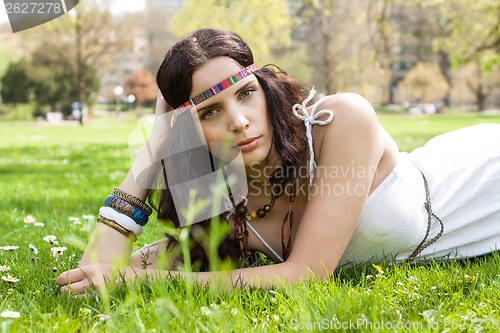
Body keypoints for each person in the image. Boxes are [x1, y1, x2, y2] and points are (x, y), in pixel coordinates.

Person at [56, 28, 500, 294]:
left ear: (264, 87)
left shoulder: (340, 120)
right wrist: (152, 151)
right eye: (209, 112)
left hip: (480, 178)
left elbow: (306, 275)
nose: (239, 122)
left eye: (245, 94)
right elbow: (96, 272)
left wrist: (149, 281)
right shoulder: (217, 199)